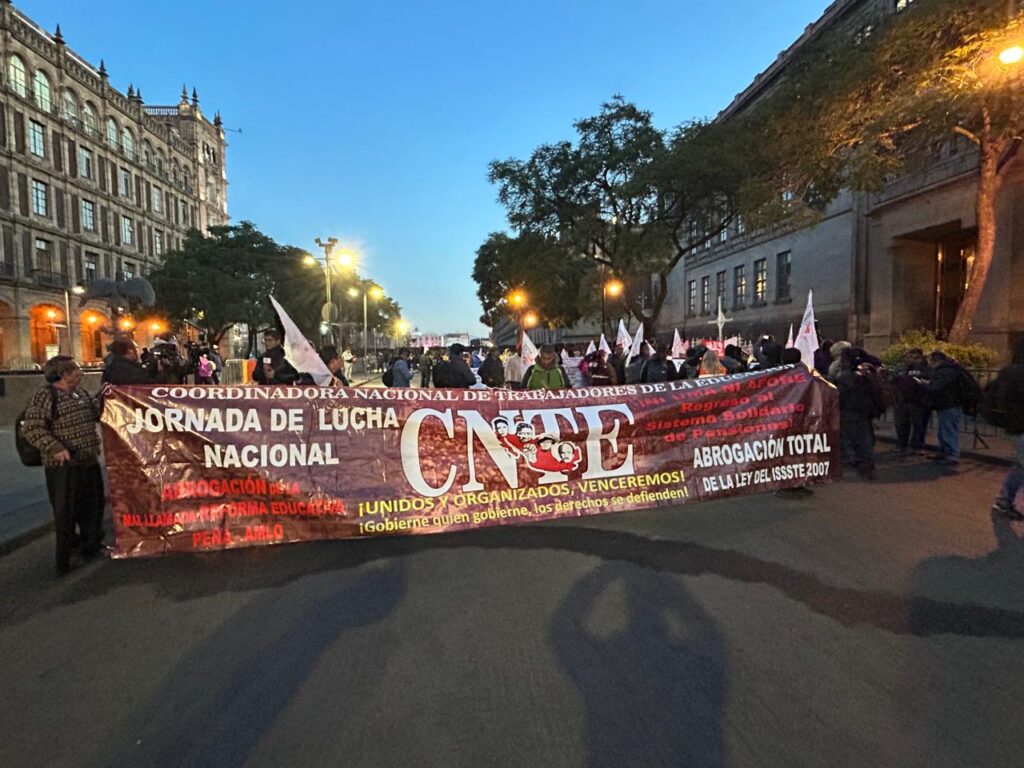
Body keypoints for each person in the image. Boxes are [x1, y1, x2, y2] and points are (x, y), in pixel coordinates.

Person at [21, 356, 105, 576]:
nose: (81, 372)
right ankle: (66, 557)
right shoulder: (45, 396)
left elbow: (95, 413)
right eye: (76, 369)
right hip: (64, 466)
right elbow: (32, 428)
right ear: (64, 374)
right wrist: (55, 447)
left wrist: (107, 396)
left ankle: (91, 545)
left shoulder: (81, 393)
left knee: (92, 506)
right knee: (66, 512)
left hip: (88, 461)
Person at [832, 348, 885, 479]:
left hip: (851, 410)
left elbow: (839, 394)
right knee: (864, 435)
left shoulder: (845, 378)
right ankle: (866, 461)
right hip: (865, 410)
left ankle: (859, 461)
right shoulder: (869, 375)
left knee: (854, 436)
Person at [982, 356, 1024, 517]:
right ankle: (1005, 499)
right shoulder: (1018, 374)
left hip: (1014, 426)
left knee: (1022, 465)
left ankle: (1005, 499)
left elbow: (988, 390)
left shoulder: (1010, 371)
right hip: (1019, 425)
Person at [920, 350, 968, 466]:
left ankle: (952, 455)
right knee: (943, 430)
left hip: (949, 404)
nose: (928, 364)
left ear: (935, 360)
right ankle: (944, 452)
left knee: (948, 430)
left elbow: (939, 387)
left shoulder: (945, 371)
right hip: (946, 404)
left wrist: (925, 384)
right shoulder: (948, 370)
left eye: (929, 361)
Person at [890, 348, 931, 454]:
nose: (912, 359)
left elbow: (930, 381)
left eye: (915, 357)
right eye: (910, 357)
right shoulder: (903, 368)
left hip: (919, 401)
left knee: (919, 425)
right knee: (902, 424)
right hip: (903, 400)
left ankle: (917, 446)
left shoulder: (926, 368)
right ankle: (901, 445)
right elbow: (893, 380)